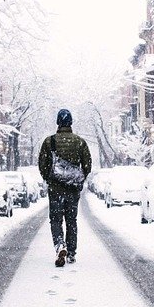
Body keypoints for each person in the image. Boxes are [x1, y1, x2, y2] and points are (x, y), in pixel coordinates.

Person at [38, 108, 92, 267]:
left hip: (55, 189)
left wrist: (49, 178)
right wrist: (79, 179)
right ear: (71, 122)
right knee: (71, 221)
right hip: (72, 190)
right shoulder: (80, 142)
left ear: (58, 122)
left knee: (55, 220)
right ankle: (72, 253)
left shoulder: (50, 142)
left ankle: (60, 245)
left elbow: (43, 164)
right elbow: (87, 164)